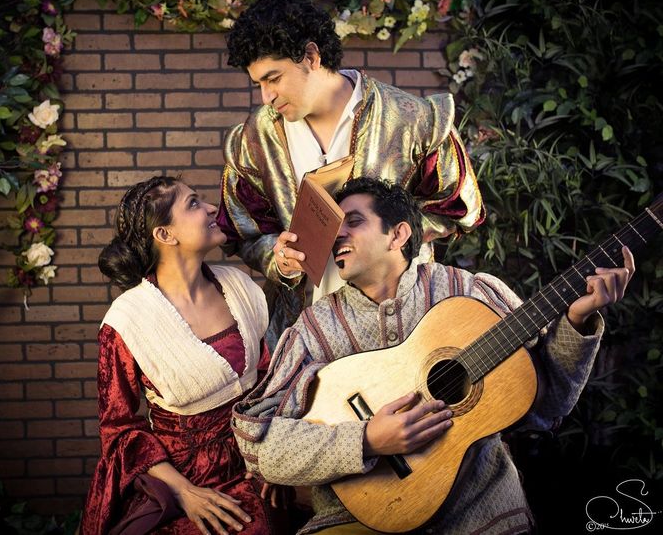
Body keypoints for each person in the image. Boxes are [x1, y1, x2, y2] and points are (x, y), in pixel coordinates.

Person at [231, 177, 635, 534]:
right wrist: (366, 440)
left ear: (399, 234)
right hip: (354, 519)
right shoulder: (313, 330)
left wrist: (577, 321)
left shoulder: (471, 293)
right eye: (335, 226)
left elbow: (548, 407)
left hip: (480, 514)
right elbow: (257, 445)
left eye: (353, 222)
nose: (338, 235)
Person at [218, 0, 485, 348]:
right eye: (258, 85)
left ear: (311, 57)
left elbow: (460, 208)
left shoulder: (413, 119)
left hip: (405, 324)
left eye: (274, 78)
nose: (266, 96)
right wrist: (278, 258)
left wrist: (393, 236)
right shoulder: (254, 138)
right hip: (307, 333)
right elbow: (242, 230)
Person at [80, 175, 288, 535]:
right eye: (193, 203)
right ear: (165, 235)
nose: (211, 208)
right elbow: (119, 430)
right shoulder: (127, 320)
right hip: (184, 478)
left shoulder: (240, 286)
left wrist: (278, 458)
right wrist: (186, 493)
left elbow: (271, 381)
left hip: (260, 459)